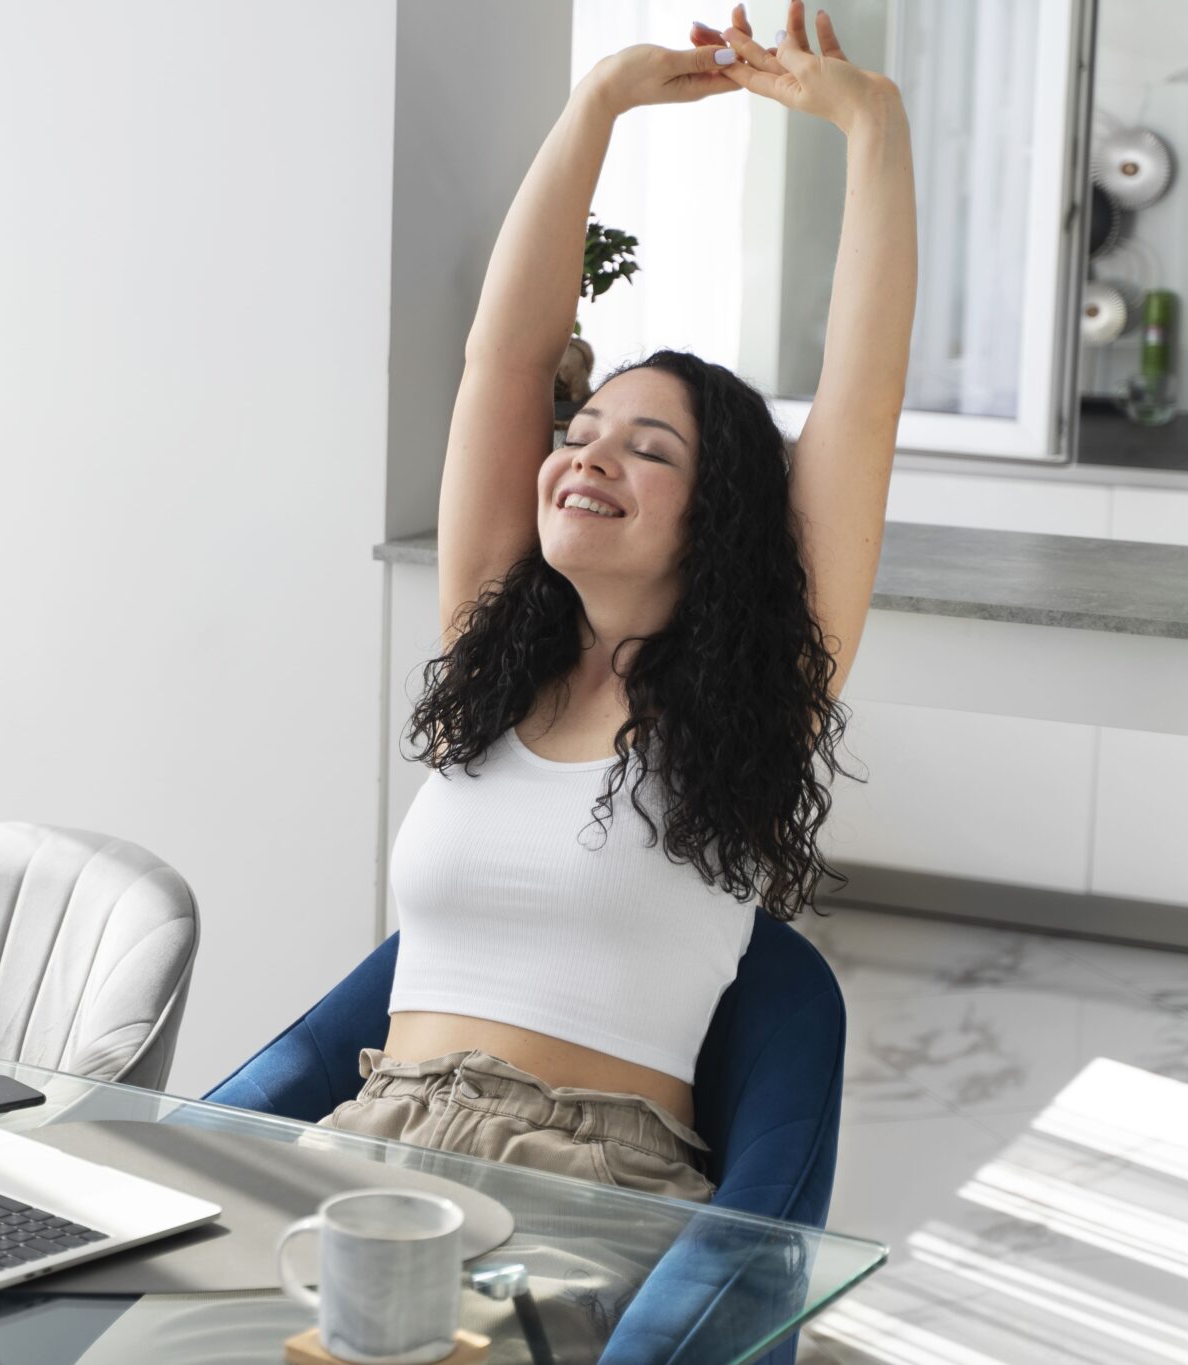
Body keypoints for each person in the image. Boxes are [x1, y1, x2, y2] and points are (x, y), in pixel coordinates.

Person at [318, 1, 916, 1214]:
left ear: (720, 523)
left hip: (585, 1181)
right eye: (580, 432)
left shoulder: (755, 704)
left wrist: (873, 126)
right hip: (373, 1138)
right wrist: (595, 103)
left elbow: (860, 403)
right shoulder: (491, 655)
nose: (584, 456)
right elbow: (505, 357)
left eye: (646, 450)